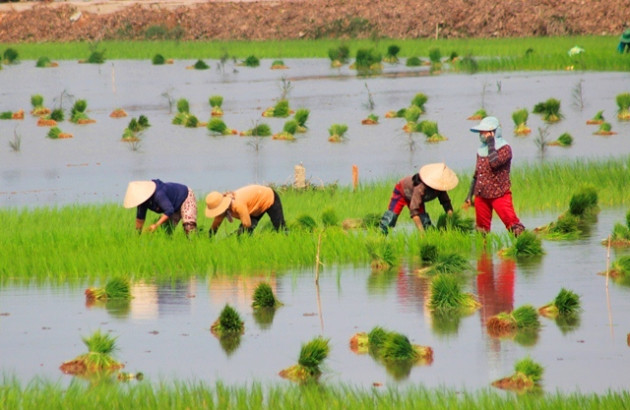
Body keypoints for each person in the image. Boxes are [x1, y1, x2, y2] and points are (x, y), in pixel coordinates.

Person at [464, 116, 525, 236]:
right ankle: (484, 253)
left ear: (494, 132)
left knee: (512, 224)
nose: (482, 134)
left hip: (499, 193)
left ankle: (524, 245)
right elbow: (477, 174)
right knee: (481, 230)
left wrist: (491, 142)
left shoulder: (505, 148)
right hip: (481, 195)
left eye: (484, 132)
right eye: (481, 132)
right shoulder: (481, 150)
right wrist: (469, 196)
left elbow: (494, 163)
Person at [379, 162, 459, 235]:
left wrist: (452, 222)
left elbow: (446, 204)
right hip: (402, 191)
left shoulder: (440, 188)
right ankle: (380, 237)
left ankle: (431, 237)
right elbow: (414, 212)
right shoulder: (421, 188)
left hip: (416, 198)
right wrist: (422, 234)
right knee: (390, 219)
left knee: (426, 223)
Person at [205, 184, 286, 236]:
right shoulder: (223, 211)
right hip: (254, 206)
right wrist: (208, 239)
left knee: (280, 227)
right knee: (244, 235)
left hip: (268, 197)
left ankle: (287, 238)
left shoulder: (237, 205)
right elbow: (215, 226)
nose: (219, 213)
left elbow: (247, 224)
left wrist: (234, 234)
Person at [123, 179, 197, 235]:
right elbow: (140, 219)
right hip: (171, 204)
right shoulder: (142, 201)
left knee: (189, 227)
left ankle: (194, 246)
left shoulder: (158, 194)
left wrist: (156, 225)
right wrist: (138, 235)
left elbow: (169, 210)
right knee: (165, 233)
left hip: (185, 197)